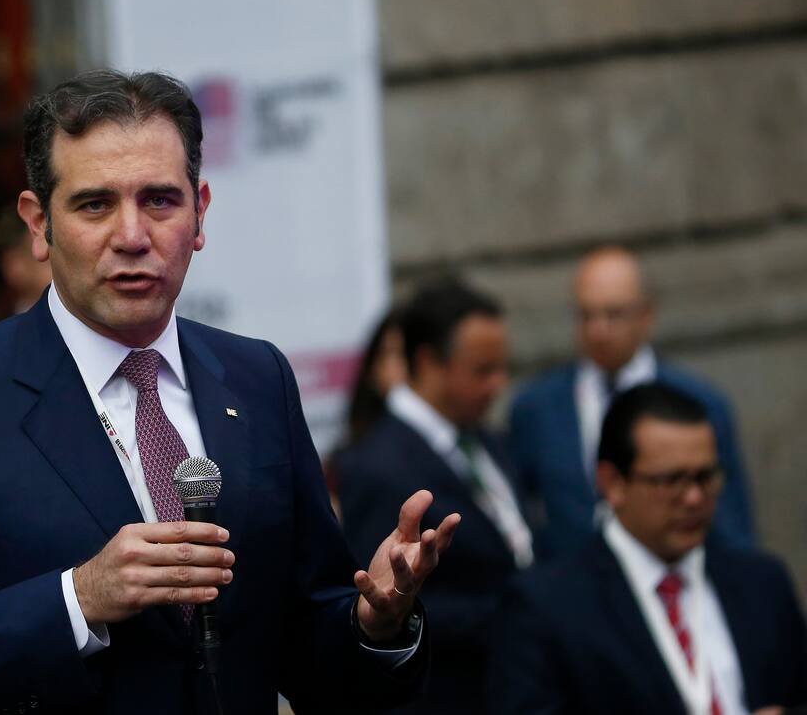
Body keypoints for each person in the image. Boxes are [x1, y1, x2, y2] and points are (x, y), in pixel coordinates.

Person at [0, 70, 460, 714]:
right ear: (38, 224)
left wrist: (374, 624)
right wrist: (78, 600)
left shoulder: (257, 378)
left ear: (200, 213)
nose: (132, 236)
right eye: (94, 205)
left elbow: (307, 647)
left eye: (160, 200)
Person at [487, 383, 806, 714]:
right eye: (671, 480)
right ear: (613, 483)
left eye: (705, 477)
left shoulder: (763, 584)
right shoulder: (546, 605)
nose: (694, 498)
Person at [333, 279, 533, 714]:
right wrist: (523, 612)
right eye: (482, 370)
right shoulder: (377, 466)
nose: (497, 384)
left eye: (501, 368)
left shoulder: (487, 440)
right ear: (427, 362)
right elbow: (381, 604)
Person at [508, 245, 755, 556]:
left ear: (646, 315)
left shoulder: (698, 402)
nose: (598, 331)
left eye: (613, 314)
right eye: (586, 316)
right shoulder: (536, 408)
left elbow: (731, 519)